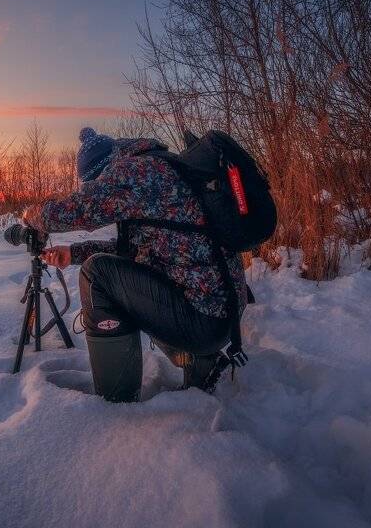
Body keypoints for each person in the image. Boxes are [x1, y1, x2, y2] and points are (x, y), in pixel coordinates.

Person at [21, 127, 247, 401]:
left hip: (204, 319)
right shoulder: (162, 166)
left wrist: (30, 216)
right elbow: (135, 252)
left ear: (104, 171)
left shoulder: (135, 172)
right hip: (222, 313)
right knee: (123, 270)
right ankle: (201, 361)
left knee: (97, 274)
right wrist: (74, 252)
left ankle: (116, 404)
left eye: (95, 183)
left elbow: (75, 211)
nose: (98, 188)